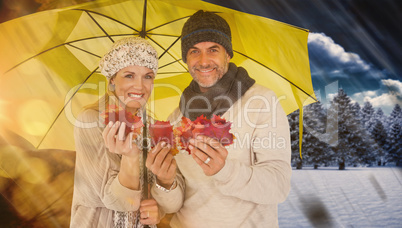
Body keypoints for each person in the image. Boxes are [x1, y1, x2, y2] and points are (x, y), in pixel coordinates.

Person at [146, 10, 292, 227]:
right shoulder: (177, 118)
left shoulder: (262, 101)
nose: (204, 61)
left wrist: (225, 171)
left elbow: (278, 187)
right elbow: (173, 205)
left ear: (228, 55)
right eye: (194, 51)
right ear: (186, 58)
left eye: (213, 49)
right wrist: (166, 183)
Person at [70, 37, 162, 228]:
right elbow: (117, 202)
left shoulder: (152, 126)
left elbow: (159, 189)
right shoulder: (90, 119)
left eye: (148, 76)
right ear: (112, 79)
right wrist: (130, 157)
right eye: (129, 75)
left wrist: (158, 210)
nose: (140, 86)